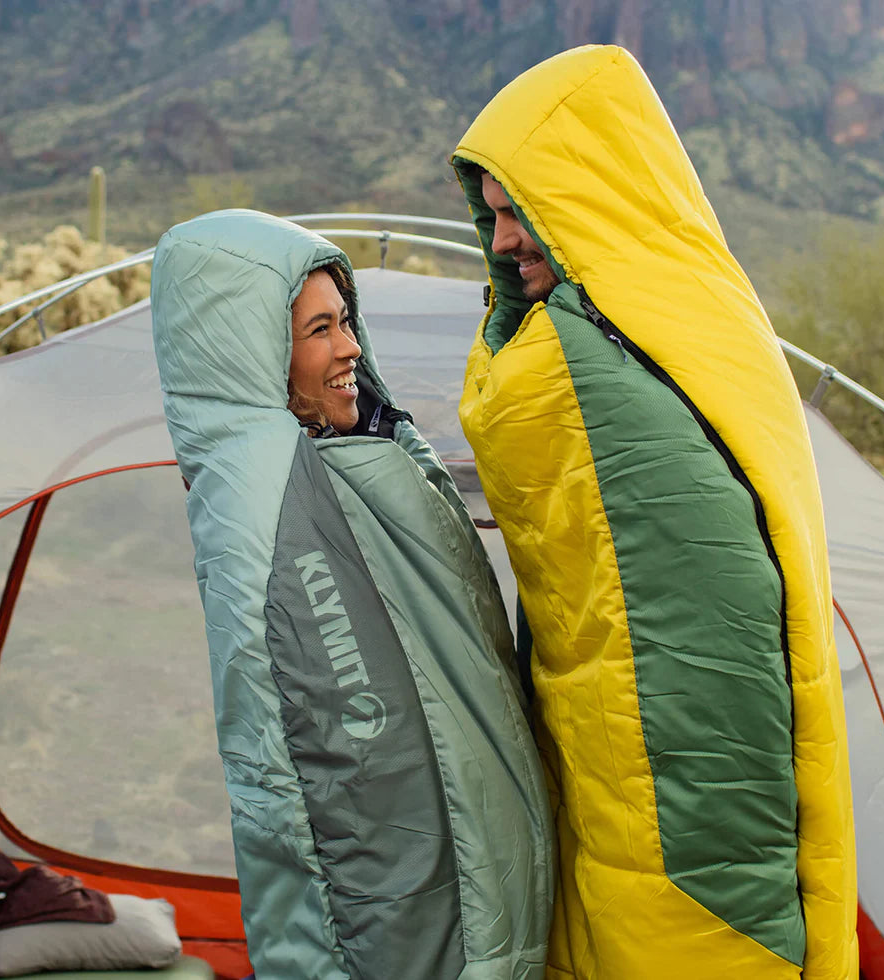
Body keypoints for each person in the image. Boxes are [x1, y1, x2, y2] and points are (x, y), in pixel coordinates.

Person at [450, 45, 857, 980]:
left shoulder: (609, 354)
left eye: (523, 212)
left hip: (694, 815)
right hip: (626, 779)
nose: (505, 241)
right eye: (496, 216)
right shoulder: (698, 312)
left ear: (585, 200)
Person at [150, 209, 553, 980]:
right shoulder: (269, 511)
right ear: (255, 353)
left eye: (346, 322)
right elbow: (307, 779)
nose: (350, 349)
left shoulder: (351, 452)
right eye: (320, 330)